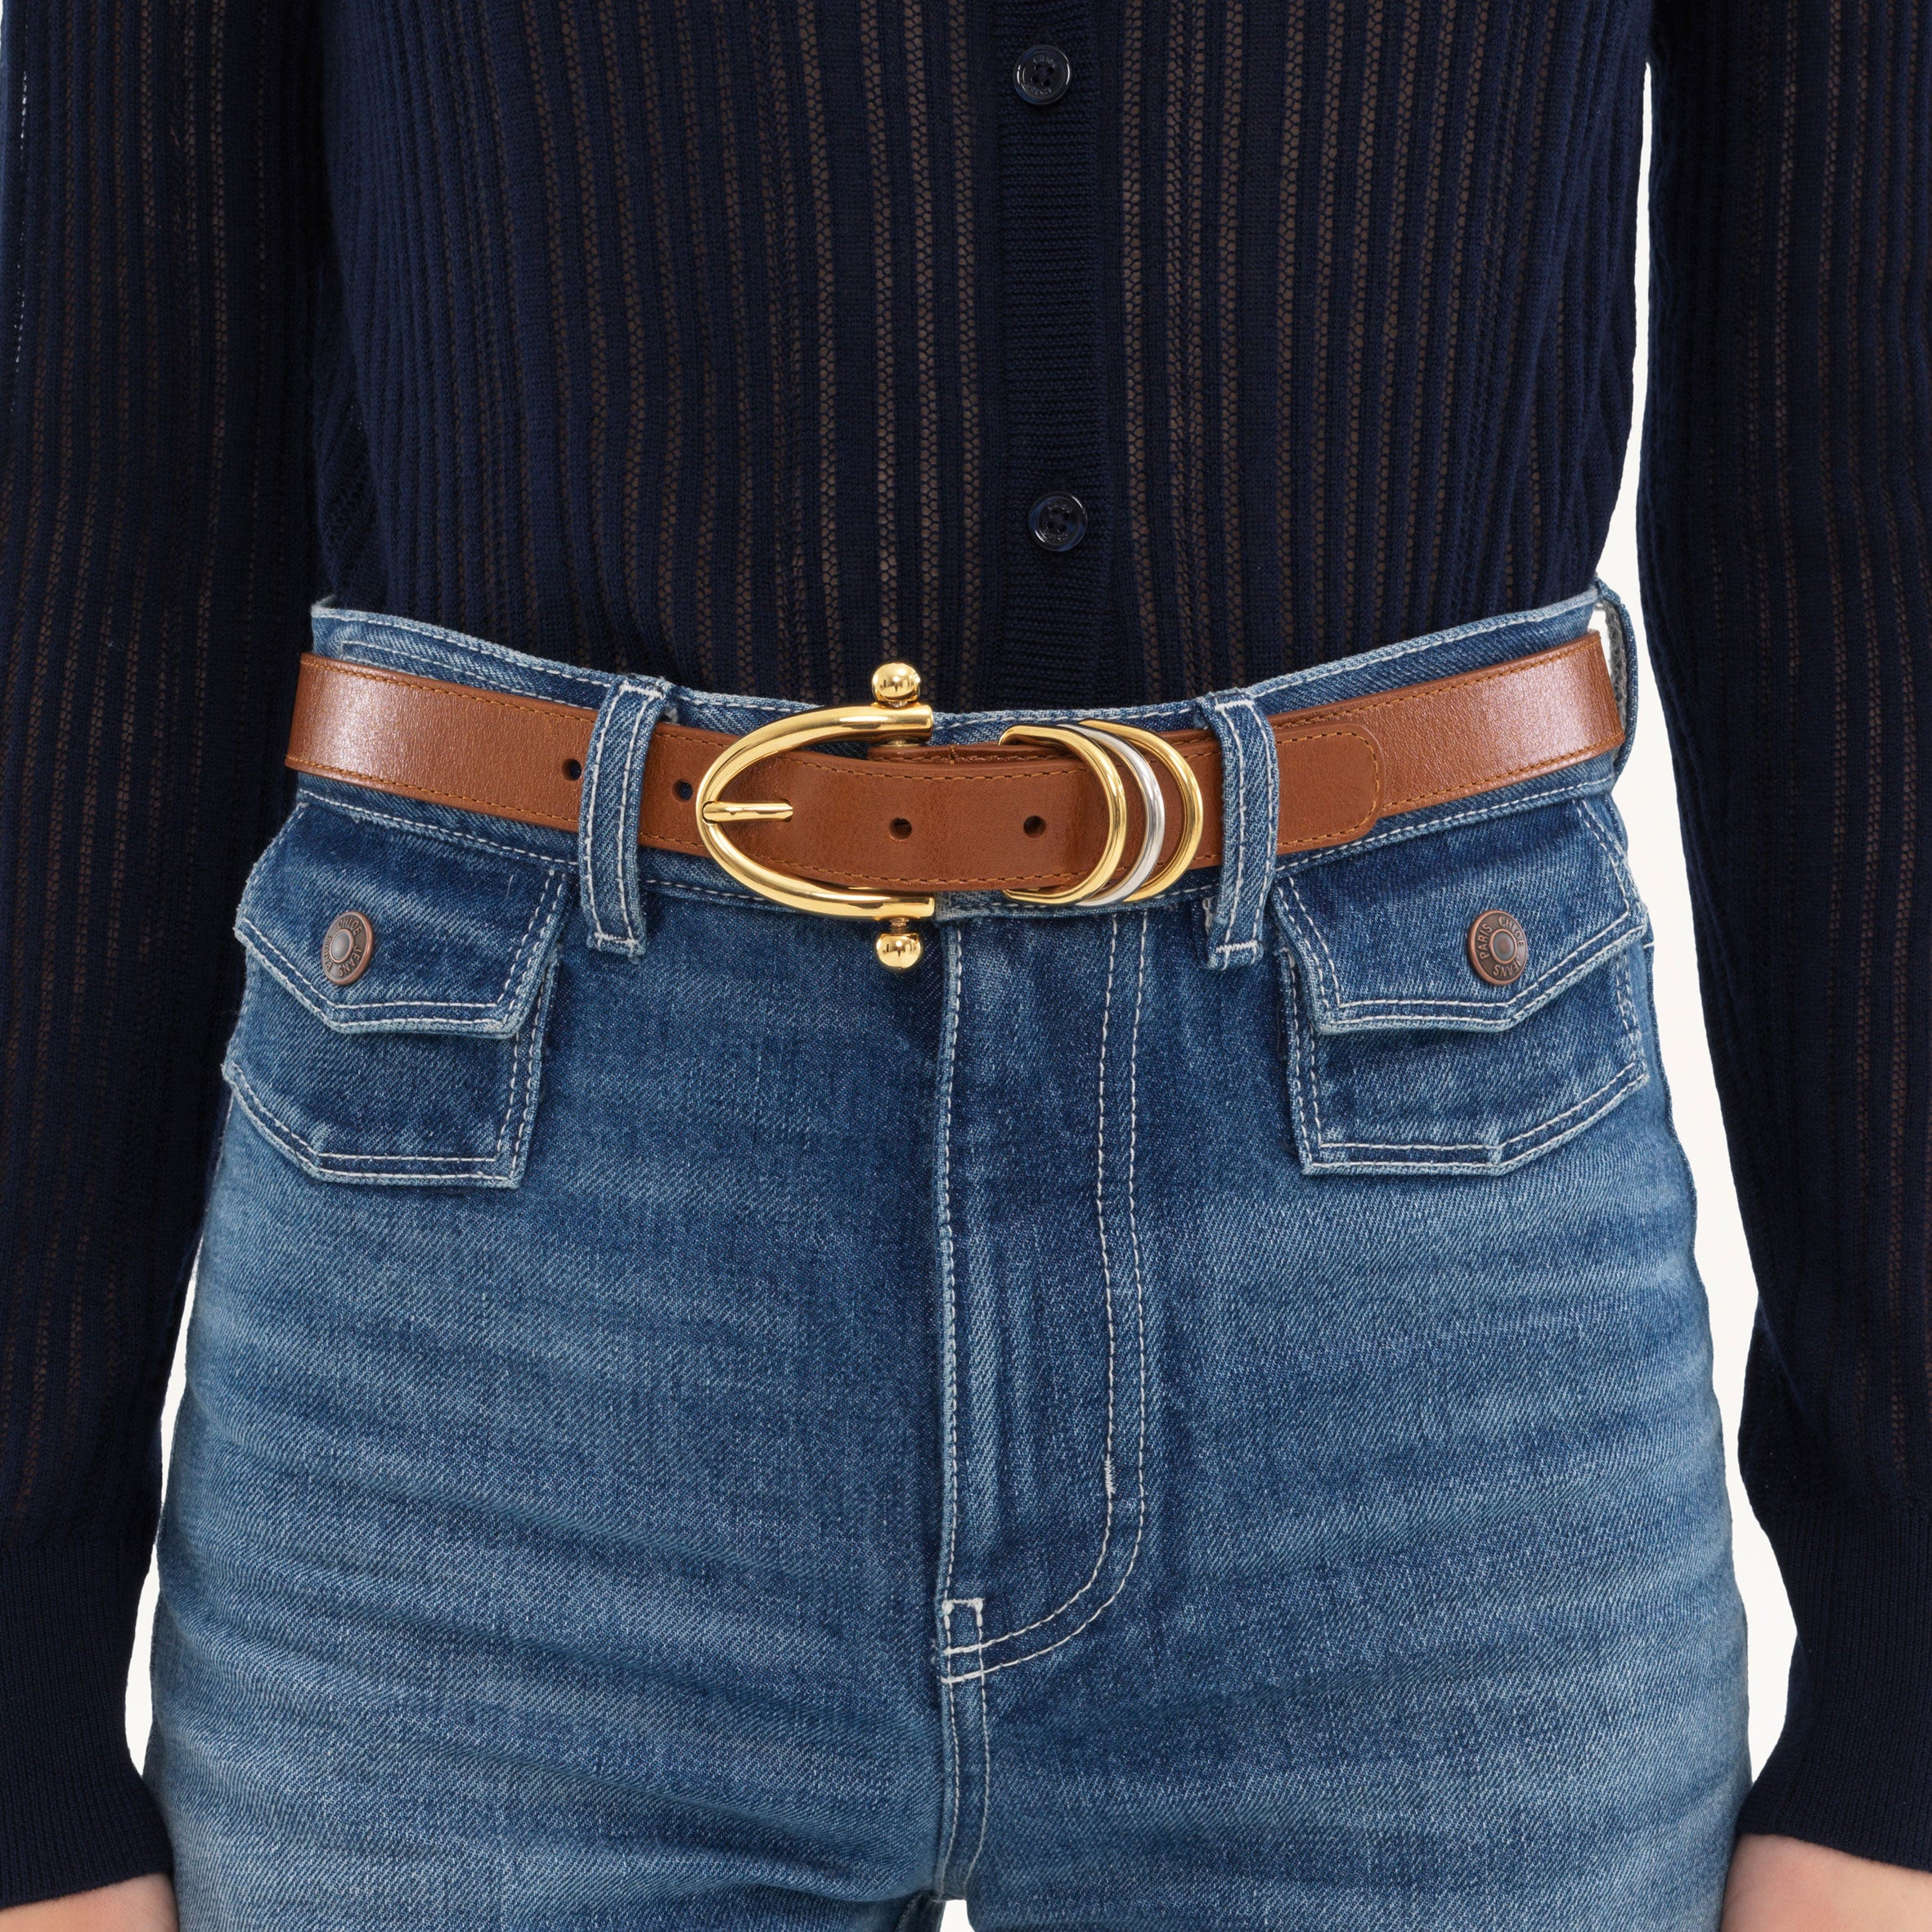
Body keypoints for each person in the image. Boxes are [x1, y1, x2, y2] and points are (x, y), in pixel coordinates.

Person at [0, 2, 1927, 1927]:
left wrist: (1898, 1707)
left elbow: (1848, 474)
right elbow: (114, 470)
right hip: (485, 1338)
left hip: (1426, 1321)